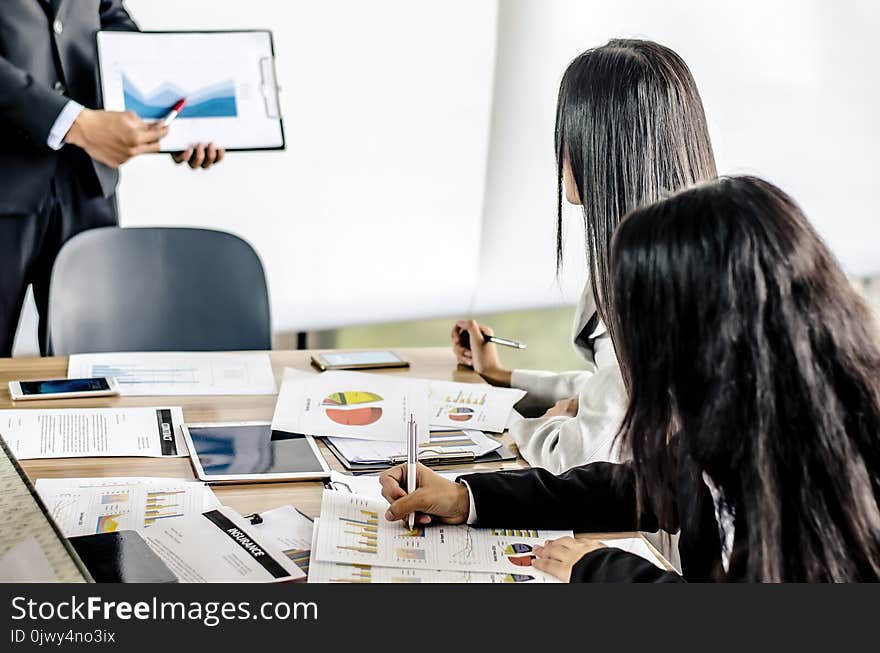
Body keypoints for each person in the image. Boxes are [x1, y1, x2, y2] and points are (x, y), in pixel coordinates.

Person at [384, 176, 880, 582]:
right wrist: (468, 498)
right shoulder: (748, 413)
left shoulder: (842, 467)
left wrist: (606, 570)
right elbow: (643, 485)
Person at [451, 39, 717, 474]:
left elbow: (573, 455)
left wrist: (521, 424)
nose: (560, 156)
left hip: (648, 529)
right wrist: (503, 377)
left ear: (599, 149)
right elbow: (610, 389)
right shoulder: (695, 252)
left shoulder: (646, 286)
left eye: (568, 136)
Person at [0, 0, 224, 356]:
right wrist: (73, 123)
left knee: (94, 365)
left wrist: (172, 119)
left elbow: (109, 16)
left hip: (89, 182)